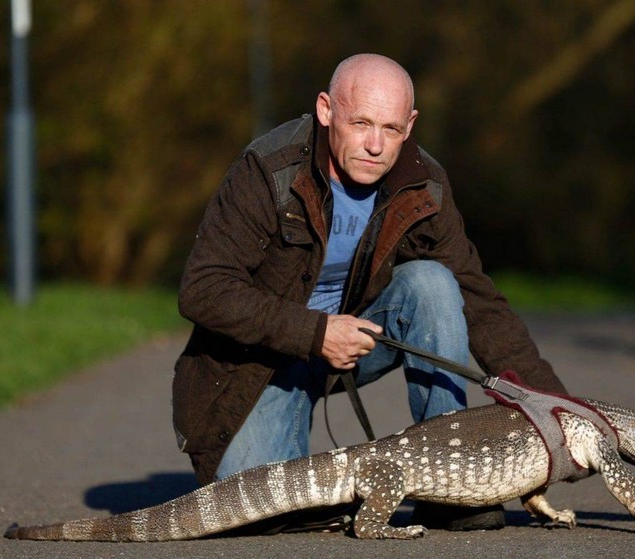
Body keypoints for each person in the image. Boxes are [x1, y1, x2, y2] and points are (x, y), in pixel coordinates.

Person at [172, 53, 566, 532]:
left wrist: (557, 415)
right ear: (326, 110)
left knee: (434, 285)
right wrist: (315, 333)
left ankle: (451, 487)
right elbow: (203, 288)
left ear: (410, 124)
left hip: (358, 345)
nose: (376, 145)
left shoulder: (423, 182)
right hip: (260, 360)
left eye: (392, 128)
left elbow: (476, 297)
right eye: (360, 123)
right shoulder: (267, 170)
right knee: (264, 508)